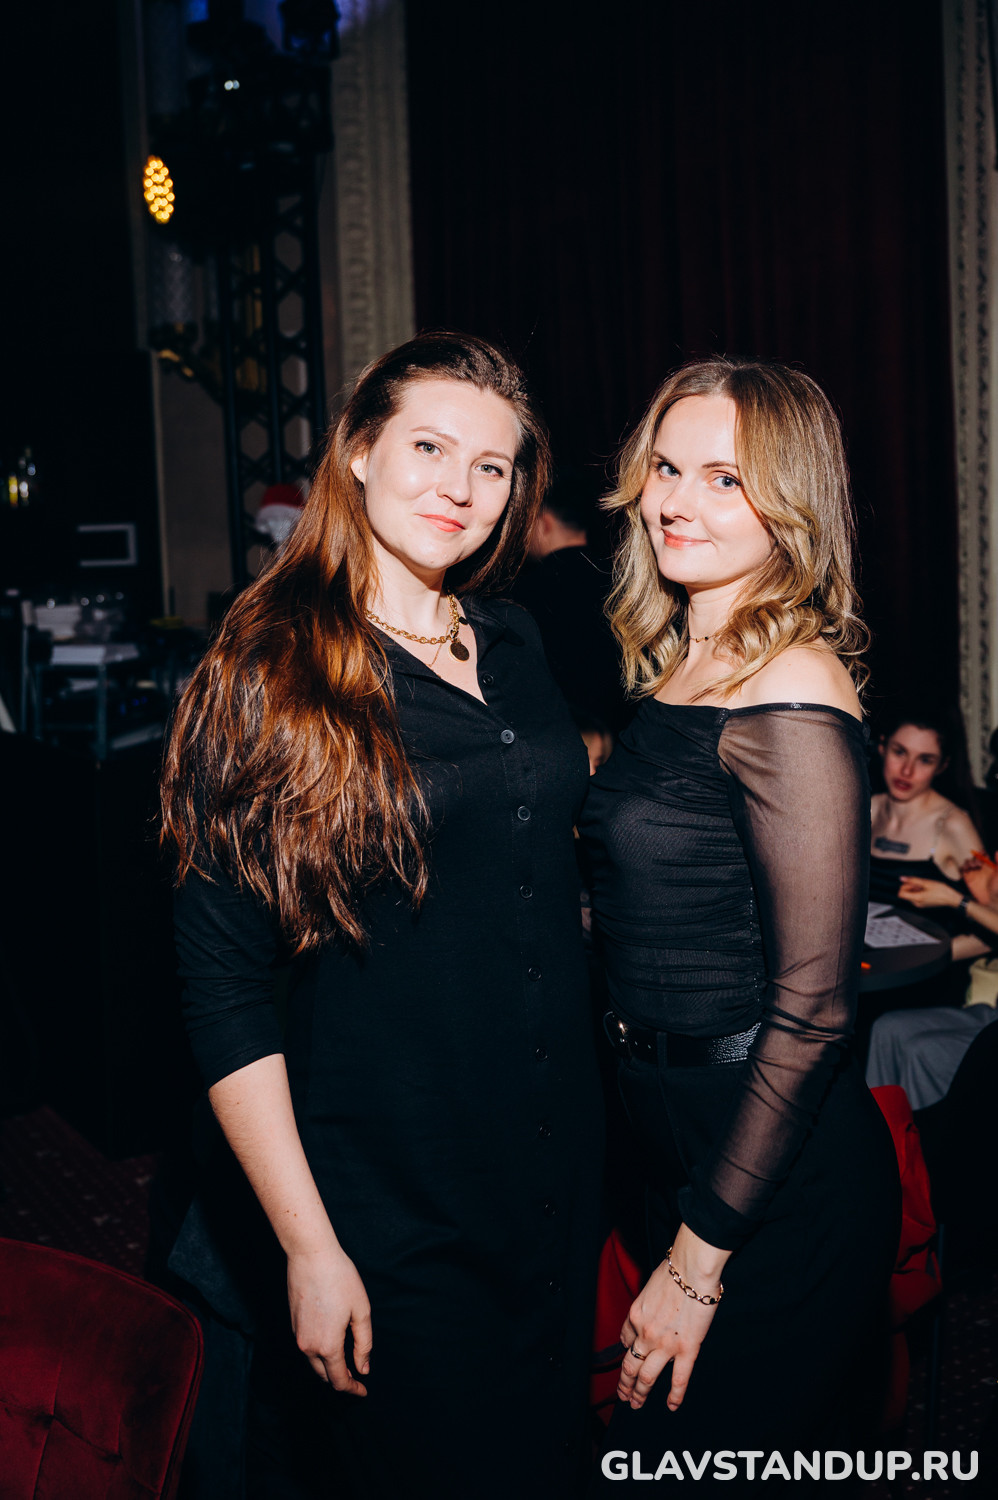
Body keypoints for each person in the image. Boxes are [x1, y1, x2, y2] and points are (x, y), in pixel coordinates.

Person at [160, 332, 603, 1500]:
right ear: (358, 451)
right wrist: (308, 1247)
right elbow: (222, 990)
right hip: (388, 1194)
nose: (460, 487)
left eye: (492, 466)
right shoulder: (269, 669)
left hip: (549, 1166)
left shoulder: (510, 638)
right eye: (429, 448)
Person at [579, 357, 900, 1490]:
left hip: (774, 1182)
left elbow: (813, 1011)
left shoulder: (792, 687)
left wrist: (697, 1262)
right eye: (666, 469)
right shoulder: (689, 663)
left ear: (789, 504)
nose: (676, 501)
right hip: (679, 1138)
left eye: (724, 478)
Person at [866, 854, 998, 1108]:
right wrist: (986, 893)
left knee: (925, 1051)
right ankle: (879, 1127)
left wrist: (956, 900)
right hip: (992, 1013)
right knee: (888, 1028)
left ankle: (925, 1133)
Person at [870, 704, 989, 963]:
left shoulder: (953, 824)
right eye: (900, 752)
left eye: (925, 760)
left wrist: (920, 961)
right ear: (882, 746)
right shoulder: (867, 809)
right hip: (870, 966)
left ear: (942, 766)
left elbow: (991, 930)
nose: (907, 771)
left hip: (927, 973)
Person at [512, 469, 627, 731]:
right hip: (618, 730)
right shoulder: (623, 582)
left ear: (545, 523)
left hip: (555, 730)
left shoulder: (526, 589)